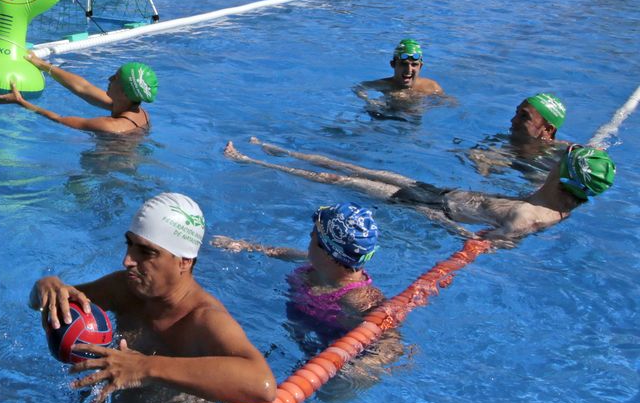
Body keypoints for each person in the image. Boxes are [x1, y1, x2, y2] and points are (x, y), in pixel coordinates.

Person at [28, 193, 276, 403]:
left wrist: (145, 367)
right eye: (129, 245)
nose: (127, 261)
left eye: (146, 252)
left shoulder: (204, 319)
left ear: (184, 262)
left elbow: (262, 385)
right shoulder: (124, 289)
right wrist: (45, 288)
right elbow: (55, 306)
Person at [224, 137, 615, 242]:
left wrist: (428, 215)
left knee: (339, 181)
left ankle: (250, 161)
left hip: (432, 207)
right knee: (354, 167)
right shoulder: (558, 196)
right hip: (443, 191)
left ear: (565, 177)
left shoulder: (527, 217)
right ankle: (277, 149)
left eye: (562, 161)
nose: (556, 157)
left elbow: (475, 243)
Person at [208, 204, 401, 364]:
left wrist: (356, 368)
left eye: (312, 237)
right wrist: (246, 246)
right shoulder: (315, 264)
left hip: (323, 354)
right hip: (299, 336)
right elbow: (283, 253)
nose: (308, 240)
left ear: (328, 253)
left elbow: (392, 344)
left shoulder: (358, 298)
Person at [0, 57, 156, 136]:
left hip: (102, 173)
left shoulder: (109, 126)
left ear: (124, 93)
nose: (109, 79)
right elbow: (84, 87)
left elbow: (59, 119)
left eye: (115, 78)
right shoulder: (140, 113)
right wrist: (42, 65)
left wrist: (20, 101)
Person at [467, 92, 569, 177]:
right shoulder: (499, 142)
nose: (513, 120)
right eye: (517, 113)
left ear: (548, 129)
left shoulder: (560, 159)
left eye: (524, 116)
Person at [360, 38, 442, 99]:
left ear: (420, 66)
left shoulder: (431, 86)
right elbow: (359, 88)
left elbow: (449, 102)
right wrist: (369, 101)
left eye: (414, 64)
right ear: (393, 64)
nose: (408, 70)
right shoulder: (385, 85)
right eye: (404, 64)